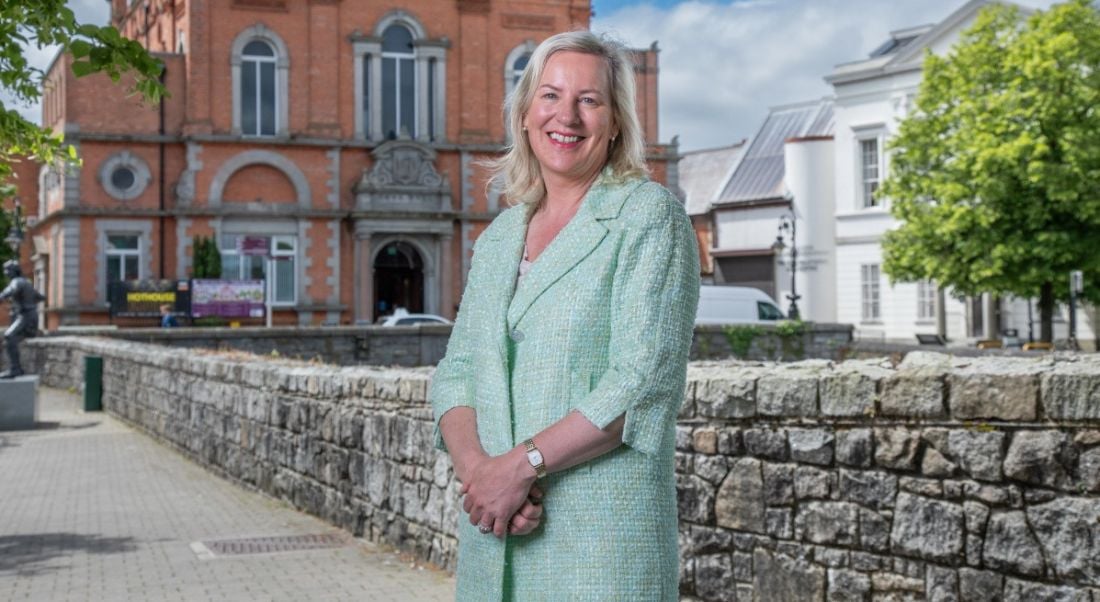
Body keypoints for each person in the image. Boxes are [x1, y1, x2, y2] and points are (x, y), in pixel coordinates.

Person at [429, 30, 700, 601]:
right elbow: (457, 372)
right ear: (525, 112)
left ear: (617, 121)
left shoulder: (648, 216)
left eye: (589, 100)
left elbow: (639, 383)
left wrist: (521, 466)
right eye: (550, 95)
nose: (567, 116)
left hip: (599, 549)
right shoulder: (501, 235)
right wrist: (482, 474)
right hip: (495, 538)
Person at [0, 260, 45, 378]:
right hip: (31, 316)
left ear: (14, 271)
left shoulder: (17, 281)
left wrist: (3, 296)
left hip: (25, 316)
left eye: (7, 270)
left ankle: (15, 369)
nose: (6, 273)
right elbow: (40, 297)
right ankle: (16, 368)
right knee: (13, 338)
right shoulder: (27, 282)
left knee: (9, 337)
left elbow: (11, 290)